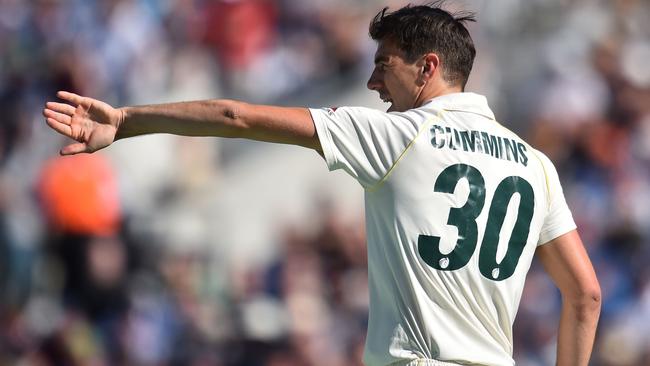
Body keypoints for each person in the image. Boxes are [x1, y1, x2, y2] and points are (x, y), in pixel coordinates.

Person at [43, 3, 601, 366]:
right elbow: (585, 294)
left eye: (385, 64)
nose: (372, 81)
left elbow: (237, 117)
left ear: (427, 67)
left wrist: (128, 120)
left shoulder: (396, 135)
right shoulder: (537, 166)